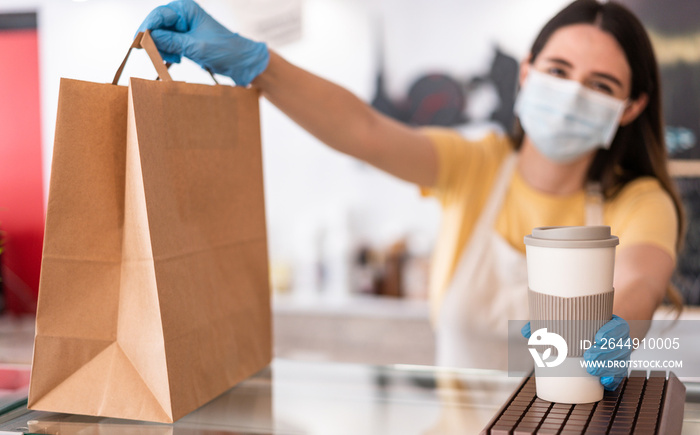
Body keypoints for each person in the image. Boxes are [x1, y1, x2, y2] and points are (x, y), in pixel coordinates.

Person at [137, 0, 684, 391]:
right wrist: (254, 63)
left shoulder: (638, 201)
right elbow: (363, 130)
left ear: (631, 108)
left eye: (600, 86)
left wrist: (618, 326)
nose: (571, 94)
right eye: (559, 71)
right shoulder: (475, 166)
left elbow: (638, 279)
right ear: (526, 74)